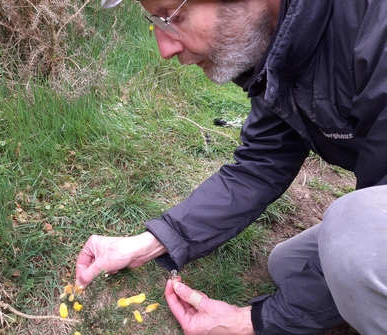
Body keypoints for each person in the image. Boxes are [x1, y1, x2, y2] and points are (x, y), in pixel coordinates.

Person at [75, 0, 387, 333]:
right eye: (156, 23)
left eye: (173, 16)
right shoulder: (283, 49)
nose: (164, 49)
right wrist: (148, 244)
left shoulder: (375, 28)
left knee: (354, 245)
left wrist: (252, 322)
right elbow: (260, 165)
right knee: (290, 266)